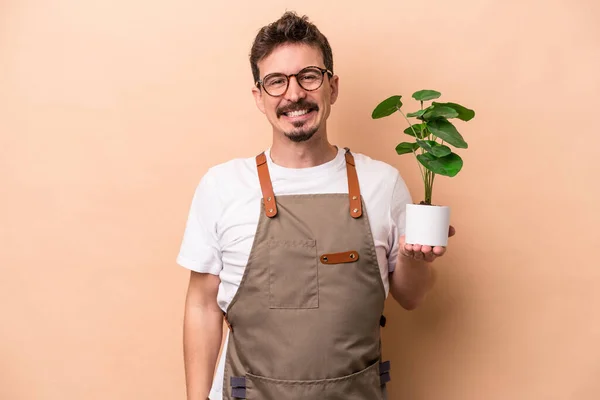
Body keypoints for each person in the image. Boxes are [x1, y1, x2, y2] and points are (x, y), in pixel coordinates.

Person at [177, 11, 455, 400]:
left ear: (332, 87)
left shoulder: (382, 183)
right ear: (259, 97)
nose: (294, 94)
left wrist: (418, 259)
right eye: (276, 81)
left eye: (308, 76)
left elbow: (410, 296)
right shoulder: (222, 186)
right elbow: (202, 306)